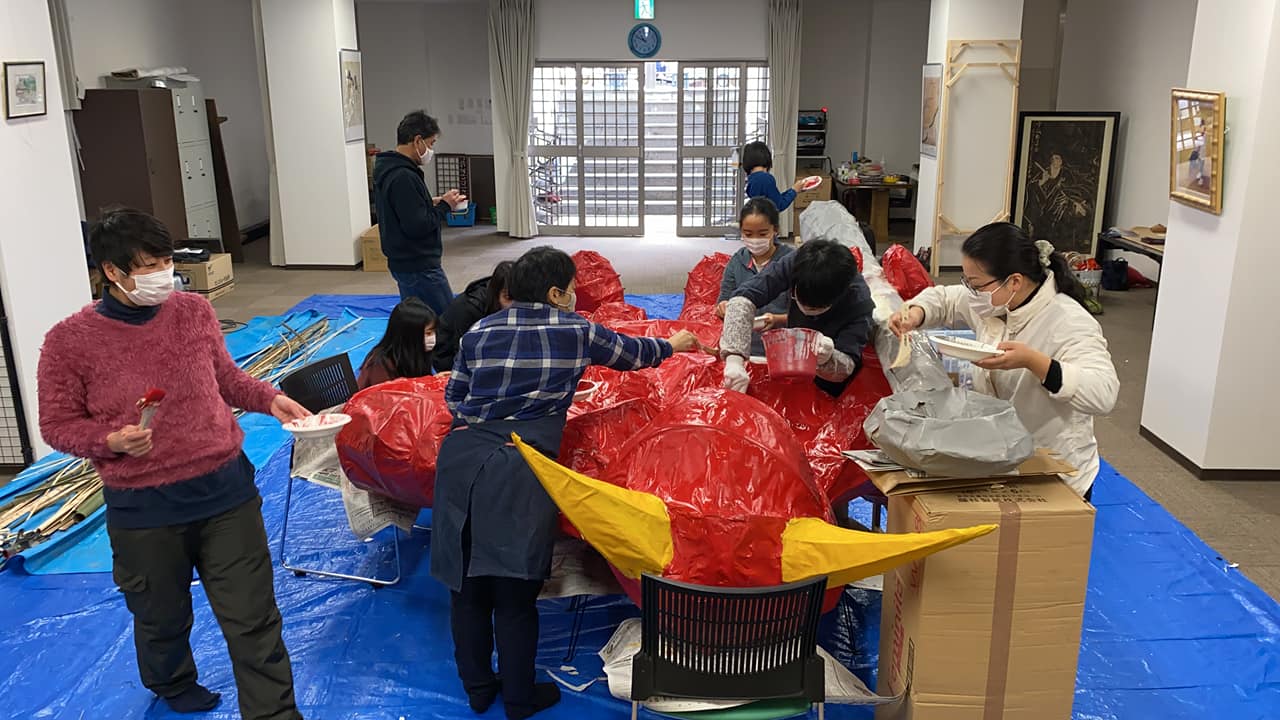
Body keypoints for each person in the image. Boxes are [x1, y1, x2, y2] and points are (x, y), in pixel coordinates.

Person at [36, 209, 310, 719]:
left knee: (253, 618)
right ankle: (171, 680)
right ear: (112, 272)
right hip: (144, 508)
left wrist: (269, 399)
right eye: (149, 265)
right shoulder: (68, 342)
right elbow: (57, 425)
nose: (165, 273)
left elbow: (226, 378)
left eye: (167, 260)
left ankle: (275, 714)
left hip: (225, 491)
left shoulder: (193, 312)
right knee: (160, 616)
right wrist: (110, 440)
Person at [430, 246, 699, 720]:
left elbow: (454, 396)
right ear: (557, 293)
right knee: (513, 590)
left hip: (460, 457)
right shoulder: (574, 329)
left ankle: (476, 689)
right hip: (520, 463)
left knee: (466, 586)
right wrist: (676, 343)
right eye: (572, 287)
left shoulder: (480, 330)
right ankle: (518, 698)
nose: (576, 295)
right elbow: (633, 354)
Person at [888, 221, 1118, 499]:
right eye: (967, 282)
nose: (970, 292)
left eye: (975, 284)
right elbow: (946, 299)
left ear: (1015, 281)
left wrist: (1035, 362)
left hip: (1056, 467)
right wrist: (916, 313)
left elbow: (1104, 394)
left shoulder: (1068, 321)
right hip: (1002, 453)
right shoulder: (996, 301)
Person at [720, 239, 874, 397]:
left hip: (828, 388)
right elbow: (743, 298)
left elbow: (846, 367)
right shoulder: (798, 264)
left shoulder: (858, 302)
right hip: (792, 362)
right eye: (800, 300)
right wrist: (734, 360)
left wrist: (828, 358)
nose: (807, 311)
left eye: (815, 308)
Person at [372, 110, 466, 315]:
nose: (431, 150)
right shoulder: (403, 176)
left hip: (404, 261)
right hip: (417, 264)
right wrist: (445, 207)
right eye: (431, 143)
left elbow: (401, 208)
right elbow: (418, 226)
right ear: (417, 141)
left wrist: (430, 201)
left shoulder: (389, 168)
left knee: (418, 320)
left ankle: (421, 347)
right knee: (445, 320)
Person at [716, 198, 795, 330]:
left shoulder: (790, 261)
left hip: (783, 337)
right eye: (748, 234)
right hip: (745, 335)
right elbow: (725, 297)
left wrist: (778, 320)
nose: (755, 239)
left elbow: (807, 314)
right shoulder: (737, 261)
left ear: (775, 230)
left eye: (763, 234)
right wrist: (723, 306)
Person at [432, 260, 515, 374]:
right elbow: (462, 353)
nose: (514, 304)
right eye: (508, 298)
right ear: (495, 293)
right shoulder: (471, 308)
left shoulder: (514, 303)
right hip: (448, 354)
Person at [356, 297, 438, 390]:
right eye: (428, 333)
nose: (433, 337)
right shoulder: (380, 364)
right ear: (410, 336)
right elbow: (385, 399)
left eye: (434, 332)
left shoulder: (418, 353)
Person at [741, 140, 805, 212]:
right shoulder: (766, 178)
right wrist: (794, 191)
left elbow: (777, 199)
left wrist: (793, 189)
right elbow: (779, 205)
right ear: (766, 157)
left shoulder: (752, 178)